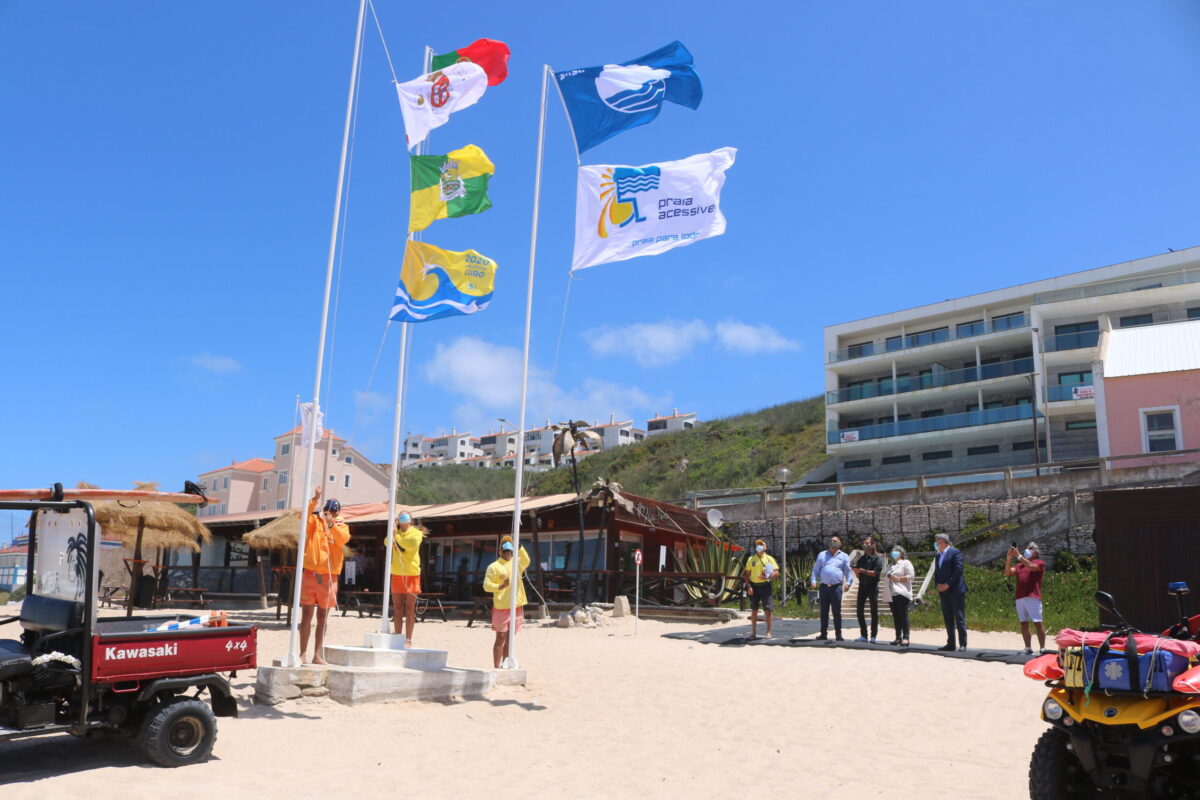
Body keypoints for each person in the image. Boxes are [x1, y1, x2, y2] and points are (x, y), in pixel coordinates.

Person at [299, 487, 350, 665]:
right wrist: (315, 499)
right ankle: (302, 653)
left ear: (338, 513)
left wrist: (331, 524)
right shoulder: (314, 521)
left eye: (333, 511)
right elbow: (302, 517)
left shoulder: (342, 527)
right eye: (328, 510)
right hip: (310, 574)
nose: (330, 513)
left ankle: (317, 655)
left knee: (323, 616)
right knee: (306, 615)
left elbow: (342, 540)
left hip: (328, 578)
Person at [483, 536, 530, 668]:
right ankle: (496, 667)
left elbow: (526, 560)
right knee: (501, 637)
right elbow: (486, 585)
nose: (508, 554)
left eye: (510, 551)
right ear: (500, 551)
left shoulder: (516, 563)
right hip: (501, 606)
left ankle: (506, 665)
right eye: (505, 551)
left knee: (510, 639)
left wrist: (519, 546)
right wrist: (499, 587)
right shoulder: (493, 566)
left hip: (515, 606)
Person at [387, 512, 424, 647]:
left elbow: (411, 544)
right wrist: (394, 532)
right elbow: (386, 542)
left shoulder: (416, 533)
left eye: (405, 517)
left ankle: (408, 639)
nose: (402, 520)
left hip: (412, 574)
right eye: (400, 517)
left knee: (409, 609)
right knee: (397, 608)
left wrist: (395, 536)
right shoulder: (395, 532)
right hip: (397, 573)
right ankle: (397, 637)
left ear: (411, 521)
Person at [1004, 540, 1047, 654]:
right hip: (1020, 597)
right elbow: (1008, 573)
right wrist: (1009, 558)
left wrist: (1018, 555)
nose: (1027, 550)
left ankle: (1042, 647)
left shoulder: (1039, 562)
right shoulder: (1020, 565)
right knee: (1023, 623)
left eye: (1029, 548)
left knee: (1038, 622)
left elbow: (1032, 566)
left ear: (1035, 552)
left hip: (1033, 596)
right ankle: (1028, 647)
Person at [810, 536, 853, 641]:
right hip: (824, 587)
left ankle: (838, 634)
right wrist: (813, 580)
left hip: (836, 587)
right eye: (831, 541)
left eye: (835, 541)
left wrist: (848, 583)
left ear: (839, 544)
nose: (832, 542)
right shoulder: (822, 555)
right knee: (823, 612)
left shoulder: (844, 556)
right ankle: (823, 634)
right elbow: (815, 570)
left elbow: (848, 571)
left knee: (836, 612)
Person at [933, 532, 968, 651]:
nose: (936, 544)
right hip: (943, 590)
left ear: (943, 542)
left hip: (955, 589)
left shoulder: (955, 552)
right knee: (947, 617)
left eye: (937, 542)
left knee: (959, 617)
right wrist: (937, 584)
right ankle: (951, 643)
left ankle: (963, 644)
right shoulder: (938, 555)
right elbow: (937, 571)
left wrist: (948, 584)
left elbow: (959, 570)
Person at [742, 539, 779, 639]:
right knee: (754, 609)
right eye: (757, 545)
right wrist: (748, 586)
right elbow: (747, 574)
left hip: (765, 586)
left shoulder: (769, 559)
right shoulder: (751, 559)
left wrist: (769, 575)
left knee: (768, 609)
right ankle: (753, 633)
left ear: (765, 547)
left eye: (761, 544)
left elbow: (776, 572)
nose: (759, 546)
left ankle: (769, 632)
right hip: (754, 586)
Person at [853, 536, 883, 643]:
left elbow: (876, 573)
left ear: (873, 545)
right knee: (859, 611)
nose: (865, 545)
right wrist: (856, 571)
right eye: (864, 543)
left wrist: (864, 571)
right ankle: (863, 635)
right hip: (862, 586)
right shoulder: (862, 559)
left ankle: (873, 635)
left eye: (867, 543)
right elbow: (858, 574)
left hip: (873, 587)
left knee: (873, 611)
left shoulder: (878, 558)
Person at [884, 544, 915, 647]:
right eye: (892, 551)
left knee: (903, 615)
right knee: (896, 616)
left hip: (902, 592)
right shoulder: (890, 565)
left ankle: (906, 637)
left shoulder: (906, 563)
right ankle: (898, 637)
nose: (893, 553)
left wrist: (898, 579)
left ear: (901, 553)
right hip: (891, 592)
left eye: (896, 551)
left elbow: (911, 576)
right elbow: (887, 575)